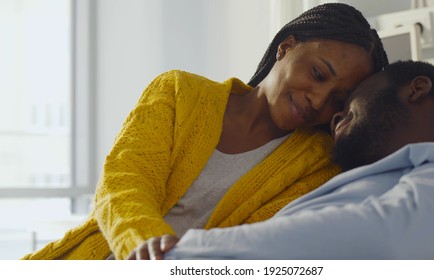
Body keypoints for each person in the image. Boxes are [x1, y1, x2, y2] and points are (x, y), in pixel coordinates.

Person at [21, 3, 388, 260]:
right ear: (286, 47)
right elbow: (123, 183)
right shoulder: (180, 92)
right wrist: (145, 243)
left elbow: (251, 248)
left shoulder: (317, 165)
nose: (318, 100)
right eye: (318, 74)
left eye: (338, 99)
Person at [134, 60, 434, 260]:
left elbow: (385, 244)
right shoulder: (356, 180)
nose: (330, 113)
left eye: (348, 97)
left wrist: (182, 256)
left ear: (416, 89)